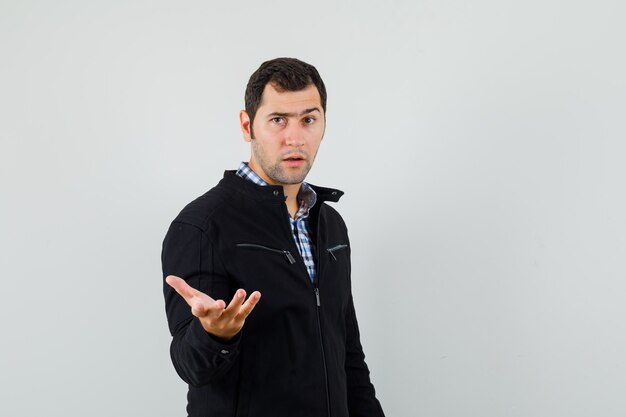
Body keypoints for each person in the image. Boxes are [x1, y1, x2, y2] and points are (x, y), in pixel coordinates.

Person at [162, 57, 385, 416]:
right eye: (278, 120)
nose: (295, 138)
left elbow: (349, 358)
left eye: (308, 120)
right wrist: (215, 334)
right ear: (247, 125)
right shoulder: (202, 225)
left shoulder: (330, 224)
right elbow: (190, 366)